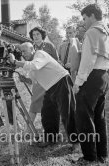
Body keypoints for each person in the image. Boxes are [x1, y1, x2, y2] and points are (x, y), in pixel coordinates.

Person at [9, 42, 77, 147]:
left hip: (61, 81)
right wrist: (25, 79)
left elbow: (35, 66)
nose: (23, 54)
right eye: (21, 51)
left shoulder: (39, 54)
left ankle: (76, 143)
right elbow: (33, 80)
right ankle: (51, 138)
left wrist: (14, 61)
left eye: (24, 51)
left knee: (67, 113)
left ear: (32, 49)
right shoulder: (31, 61)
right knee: (47, 113)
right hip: (50, 87)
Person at [73, 4, 109, 164]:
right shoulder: (106, 32)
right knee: (99, 117)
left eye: (85, 18)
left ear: (93, 16)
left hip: (91, 78)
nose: (84, 22)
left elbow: (88, 61)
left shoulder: (92, 32)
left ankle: (89, 157)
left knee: (84, 117)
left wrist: (78, 83)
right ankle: (102, 155)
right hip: (104, 77)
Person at [25, 27, 59, 132]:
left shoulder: (49, 46)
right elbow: (29, 64)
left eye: (37, 34)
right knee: (34, 104)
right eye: (34, 35)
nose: (35, 37)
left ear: (42, 35)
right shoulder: (31, 48)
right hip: (38, 80)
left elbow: (57, 62)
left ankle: (47, 129)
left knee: (49, 106)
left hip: (50, 80)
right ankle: (28, 129)